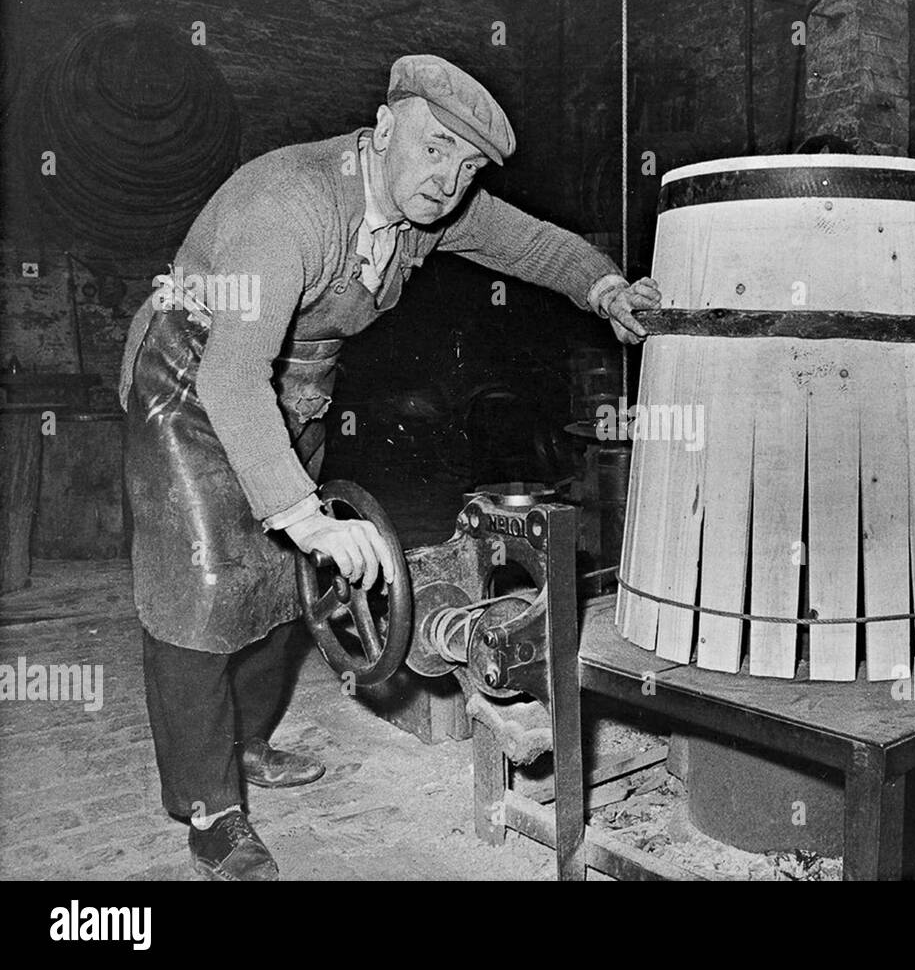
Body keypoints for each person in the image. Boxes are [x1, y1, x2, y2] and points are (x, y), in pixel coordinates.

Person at [117, 54, 660, 881]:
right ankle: (210, 810)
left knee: (280, 580)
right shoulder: (289, 204)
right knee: (202, 591)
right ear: (382, 130)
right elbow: (231, 373)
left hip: (290, 389)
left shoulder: (429, 210)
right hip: (192, 380)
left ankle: (245, 745)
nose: (448, 180)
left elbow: (532, 245)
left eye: (467, 165)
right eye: (436, 149)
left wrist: (605, 287)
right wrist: (300, 507)